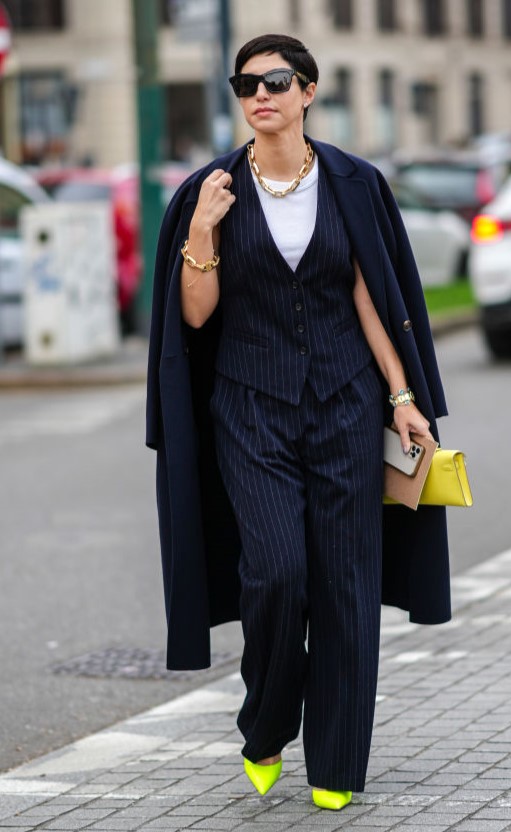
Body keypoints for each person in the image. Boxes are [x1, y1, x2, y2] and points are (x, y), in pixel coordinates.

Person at [146, 34, 451, 812]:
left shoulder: (353, 182)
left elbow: (371, 300)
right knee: (277, 573)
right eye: (245, 84)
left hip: (347, 406)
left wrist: (403, 398)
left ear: (308, 91)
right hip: (250, 408)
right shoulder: (207, 192)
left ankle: (338, 763)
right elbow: (194, 317)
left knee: (346, 585)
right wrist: (204, 234)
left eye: (275, 81)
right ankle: (267, 721)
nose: (260, 95)